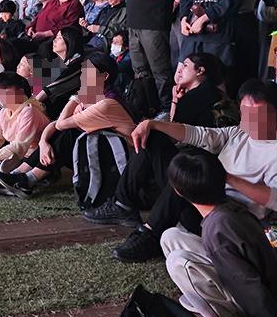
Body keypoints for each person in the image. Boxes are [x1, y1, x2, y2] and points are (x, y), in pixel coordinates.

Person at [110, 80, 277, 263]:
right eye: (246, 113)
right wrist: (152, 124)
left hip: (229, 220)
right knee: (155, 139)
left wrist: (226, 177)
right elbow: (199, 134)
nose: (251, 121)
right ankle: (123, 204)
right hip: (203, 202)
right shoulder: (239, 133)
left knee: (188, 172)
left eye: (259, 114)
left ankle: (149, 235)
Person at [86, 52, 228, 224]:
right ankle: (124, 201)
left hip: (195, 178)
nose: (180, 71)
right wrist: (175, 101)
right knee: (152, 137)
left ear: (200, 71)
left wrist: (151, 124)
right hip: (200, 173)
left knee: (151, 138)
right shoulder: (210, 94)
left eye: (185, 66)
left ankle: (122, 203)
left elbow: (174, 134)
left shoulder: (199, 96)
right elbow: (176, 126)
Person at [161, 150, 277, 317]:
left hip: (254, 309)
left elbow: (246, 283)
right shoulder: (227, 208)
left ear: (178, 192)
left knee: (177, 261)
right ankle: (200, 297)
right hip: (251, 283)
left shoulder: (218, 229)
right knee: (170, 236)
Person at [0, 51, 134, 198]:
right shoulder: (92, 99)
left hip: (122, 163)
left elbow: (61, 125)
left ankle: (26, 179)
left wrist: (75, 98)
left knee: (70, 133)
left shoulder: (107, 104)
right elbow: (55, 124)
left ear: (105, 76)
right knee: (63, 132)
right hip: (102, 155)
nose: (83, 77)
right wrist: (43, 143)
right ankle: (19, 174)